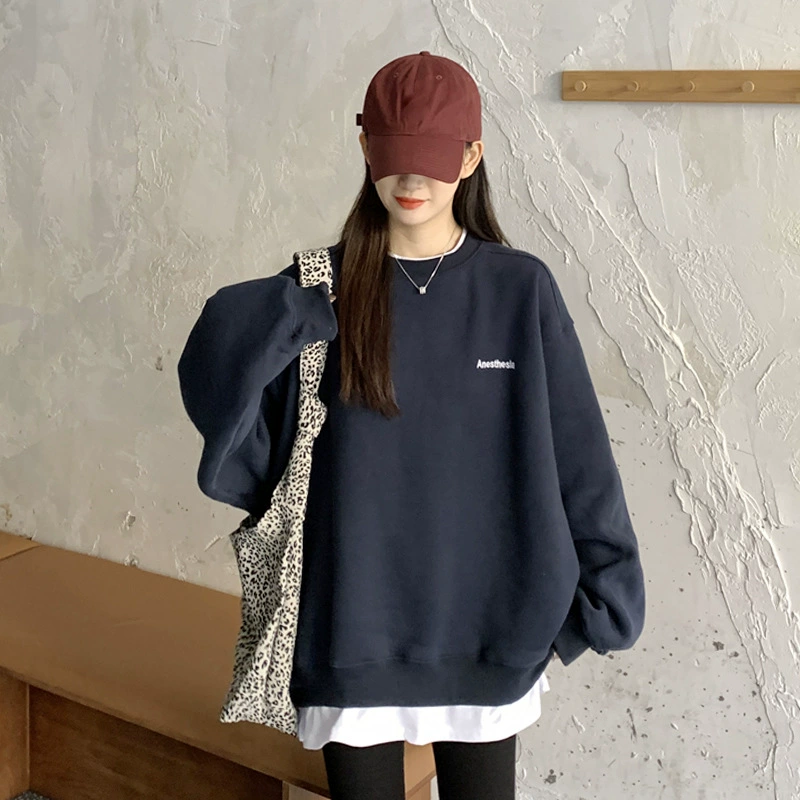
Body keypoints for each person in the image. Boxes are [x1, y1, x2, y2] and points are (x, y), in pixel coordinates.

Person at [177, 51, 646, 800]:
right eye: (394, 156)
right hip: (351, 633)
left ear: (472, 157)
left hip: (490, 635)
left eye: (432, 158)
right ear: (366, 147)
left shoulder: (519, 289)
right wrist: (280, 316)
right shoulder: (318, 292)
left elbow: (579, 457)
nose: (411, 179)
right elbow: (226, 408)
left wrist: (605, 598)